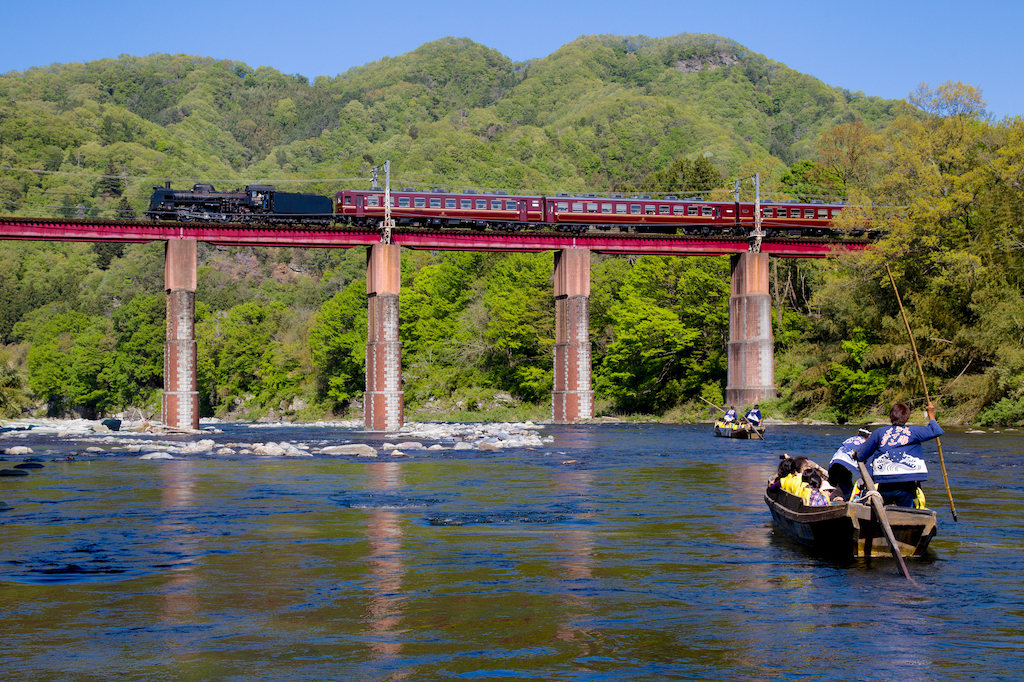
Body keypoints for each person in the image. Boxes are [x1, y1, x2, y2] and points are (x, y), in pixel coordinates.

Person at [855, 402, 943, 508]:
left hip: (885, 481)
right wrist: (930, 413)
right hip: (906, 482)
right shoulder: (913, 431)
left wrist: (855, 454)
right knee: (906, 506)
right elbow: (936, 430)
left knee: (883, 503)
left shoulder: (880, 432)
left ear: (891, 417)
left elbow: (861, 455)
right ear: (907, 418)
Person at [827, 425, 872, 499]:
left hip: (834, 462)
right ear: (870, 436)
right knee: (849, 492)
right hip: (844, 466)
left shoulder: (849, 439)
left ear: (858, 433)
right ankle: (843, 499)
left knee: (833, 484)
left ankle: (830, 496)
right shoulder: (866, 444)